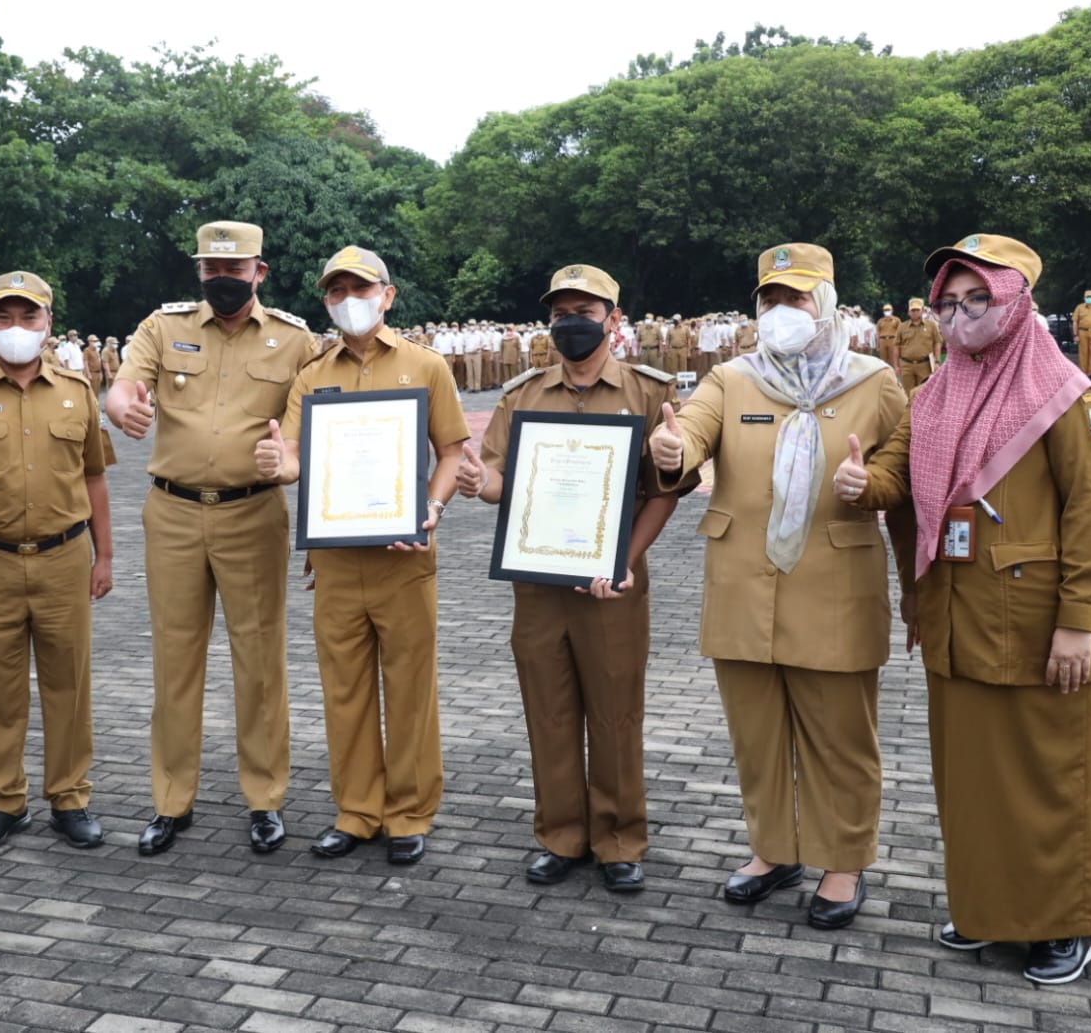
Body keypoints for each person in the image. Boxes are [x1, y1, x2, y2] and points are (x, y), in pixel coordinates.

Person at [834, 234, 1091, 985]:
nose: (959, 316)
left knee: (1048, 775)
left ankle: (1065, 924)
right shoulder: (935, 393)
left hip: (1035, 625)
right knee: (970, 780)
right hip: (955, 619)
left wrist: (1077, 623)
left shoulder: (1061, 395)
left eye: (976, 300)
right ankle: (989, 910)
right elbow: (893, 471)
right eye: (949, 303)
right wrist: (859, 485)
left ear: (1015, 304)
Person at [649, 243, 909, 929]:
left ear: (825, 303)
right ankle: (773, 850)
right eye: (769, 299)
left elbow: (900, 474)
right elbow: (693, 436)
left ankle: (843, 860)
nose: (781, 311)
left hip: (834, 584)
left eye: (795, 297)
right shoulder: (732, 379)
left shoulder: (872, 381)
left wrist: (868, 485)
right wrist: (672, 451)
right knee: (756, 733)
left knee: (839, 737)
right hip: (742, 583)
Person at [459, 264, 693, 891]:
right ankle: (560, 835)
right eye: (560, 313)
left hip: (611, 586)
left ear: (613, 322)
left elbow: (664, 492)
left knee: (616, 713)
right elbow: (497, 481)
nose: (571, 324)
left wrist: (625, 560)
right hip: (538, 585)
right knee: (550, 709)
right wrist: (475, 481)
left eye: (585, 313)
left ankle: (619, 839)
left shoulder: (649, 393)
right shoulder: (523, 395)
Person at [106, 221, 317, 856]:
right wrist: (121, 409)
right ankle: (172, 800)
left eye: (235, 269)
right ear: (199, 272)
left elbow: (311, 432)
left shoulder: (296, 339)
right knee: (175, 660)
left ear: (261, 271)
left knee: (259, 662)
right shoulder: (162, 328)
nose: (223, 280)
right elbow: (123, 386)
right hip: (171, 514)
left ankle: (264, 798)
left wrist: (295, 474)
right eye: (211, 270)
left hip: (254, 514)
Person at [255, 246, 466, 865]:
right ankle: (356, 811)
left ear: (388, 295)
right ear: (325, 300)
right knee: (344, 692)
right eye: (337, 290)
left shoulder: (426, 367)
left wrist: (433, 507)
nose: (349, 299)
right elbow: (292, 455)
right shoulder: (312, 375)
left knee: (409, 690)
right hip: (337, 560)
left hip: (405, 554)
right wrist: (279, 465)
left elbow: (451, 452)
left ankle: (408, 812)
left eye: (361, 287)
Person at [0, 271, 114, 852]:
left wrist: (105, 554)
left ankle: (70, 798)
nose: (15, 328)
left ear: (47, 324)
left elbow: (94, 475)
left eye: (27, 317)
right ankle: (4, 801)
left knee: (69, 685)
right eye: (3, 317)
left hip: (64, 556)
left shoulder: (77, 391)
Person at [897, 297, 941, 394]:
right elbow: (896, 346)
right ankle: (910, 410)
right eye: (913, 310)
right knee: (907, 394)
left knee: (925, 393)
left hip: (925, 365)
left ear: (922, 311)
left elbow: (937, 342)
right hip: (907, 365)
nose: (915, 312)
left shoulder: (931, 325)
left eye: (917, 310)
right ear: (909, 312)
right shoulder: (902, 327)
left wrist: (937, 361)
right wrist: (897, 365)